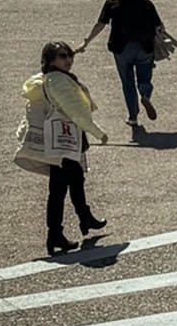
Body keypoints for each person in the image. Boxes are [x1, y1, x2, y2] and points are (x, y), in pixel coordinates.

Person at [18, 41, 109, 254]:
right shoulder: (59, 81)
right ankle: (57, 233)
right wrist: (98, 133)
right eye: (62, 56)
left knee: (74, 181)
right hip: (63, 143)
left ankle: (82, 220)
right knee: (59, 188)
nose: (68, 60)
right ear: (51, 60)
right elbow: (75, 110)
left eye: (69, 55)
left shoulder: (52, 78)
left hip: (61, 141)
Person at [77, 0, 167, 129]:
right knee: (144, 78)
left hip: (121, 48)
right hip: (144, 47)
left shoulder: (112, 4)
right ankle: (145, 95)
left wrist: (86, 42)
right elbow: (159, 26)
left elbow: (100, 25)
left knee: (127, 83)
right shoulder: (146, 4)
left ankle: (133, 117)